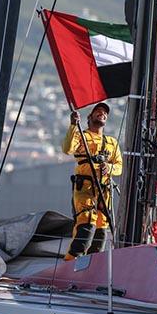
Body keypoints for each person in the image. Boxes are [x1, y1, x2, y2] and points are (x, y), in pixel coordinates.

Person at [62, 102, 123, 261]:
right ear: (89, 117)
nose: (102, 113)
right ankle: (71, 260)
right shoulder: (81, 136)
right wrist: (73, 126)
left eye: (104, 113)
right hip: (86, 188)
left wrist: (109, 168)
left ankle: (93, 265)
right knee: (86, 224)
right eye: (98, 111)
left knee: (101, 231)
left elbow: (119, 167)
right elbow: (67, 149)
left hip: (104, 191)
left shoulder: (112, 142)